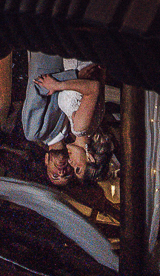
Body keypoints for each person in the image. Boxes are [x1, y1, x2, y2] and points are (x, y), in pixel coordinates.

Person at [20, 53, 111, 186]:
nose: (62, 172)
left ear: (46, 160)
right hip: (74, 56)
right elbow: (95, 86)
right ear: (90, 157)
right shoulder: (80, 129)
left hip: (48, 53)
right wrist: (72, 78)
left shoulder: (36, 133)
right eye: (77, 169)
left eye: (55, 175)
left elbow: (37, 86)